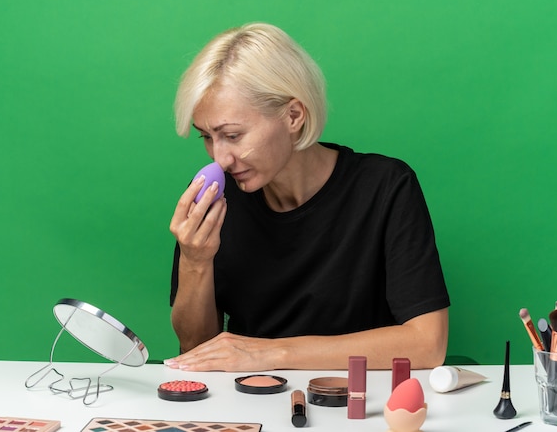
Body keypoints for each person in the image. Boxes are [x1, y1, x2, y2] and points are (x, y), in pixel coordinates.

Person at [165, 22, 450, 372]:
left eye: (233, 135)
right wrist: (195, 261)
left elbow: (427, 345)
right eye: (207, 137)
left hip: (360, 401)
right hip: (251, 400)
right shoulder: (219, 205)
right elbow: (196, 349)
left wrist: (273, 353)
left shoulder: (386, 187)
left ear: (294, 115)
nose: (219, 158)